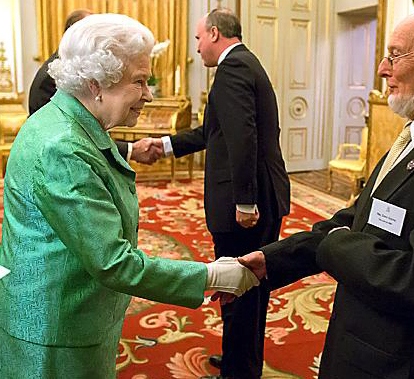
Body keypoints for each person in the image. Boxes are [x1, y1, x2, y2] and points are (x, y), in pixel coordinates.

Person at [238, 6, 414, 379]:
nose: (382, 69)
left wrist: (335, 245)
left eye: (395, 54)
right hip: (363, 346)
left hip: (400, 363)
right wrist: (271, 260)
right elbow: (359, 218)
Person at [0, 13, 259, 379]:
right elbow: (114, 262)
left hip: (67, 307)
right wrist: (211, 276)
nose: (149, 94)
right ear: (96, 84)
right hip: (55, 328)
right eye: (140, 81)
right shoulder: (62, 146)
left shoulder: (70, 120)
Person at [161, 8, 290, 379]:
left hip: (248, 204)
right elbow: (211, 133)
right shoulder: (243, 65)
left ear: (215, 33)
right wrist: (164, 146)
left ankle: (240, 371)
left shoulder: (233, 69)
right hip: (255, 196)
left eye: (199, 38)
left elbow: (242, 139)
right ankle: (239, 359)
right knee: (243, 286)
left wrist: (245, 202)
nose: (197, 46)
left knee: (243, 286)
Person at [28, 8, 162, 165]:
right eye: (139, 81)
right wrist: (131, 149)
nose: (149, 96)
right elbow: (58, 138)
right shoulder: (67, 149)